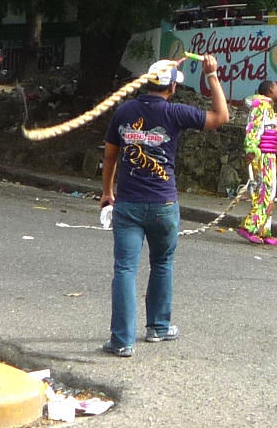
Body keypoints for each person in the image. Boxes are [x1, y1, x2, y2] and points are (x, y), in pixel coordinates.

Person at [98, 54, 229, 355]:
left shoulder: (124, 111)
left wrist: (107, 191)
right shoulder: (176, 113)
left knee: (125, 269)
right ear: (171, 89)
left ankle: (121, 341)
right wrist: (212, 76)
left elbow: (109, 156)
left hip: (128, 204)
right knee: (162, 264)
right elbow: (221, 117)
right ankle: (158, 327)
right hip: (163, 204)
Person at [240, 79, 277, 244]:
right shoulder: (261, 107)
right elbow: (254, 128)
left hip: (269, 155)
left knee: (269, 192)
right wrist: (251, 149)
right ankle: (249, 227)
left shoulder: (268, 108)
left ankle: (263, 230)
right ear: (270, 90)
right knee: (265, 192)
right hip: (262, 156)